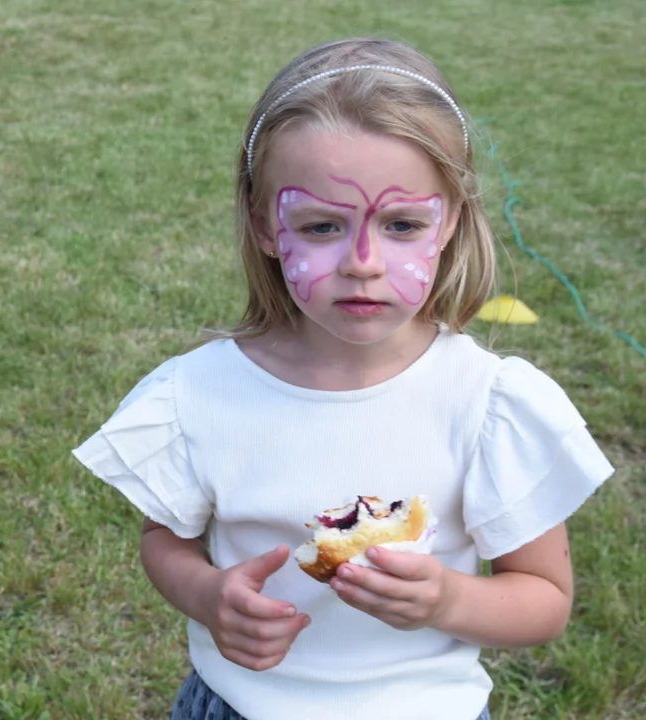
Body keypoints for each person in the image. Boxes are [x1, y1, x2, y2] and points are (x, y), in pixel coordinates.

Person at [72, 37, 615, 720]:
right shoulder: (201, 394)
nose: (364, 261)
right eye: (323, 225)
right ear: (266, 225)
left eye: (401, 224)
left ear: (448, 222)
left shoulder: (484, 402)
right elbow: (166, 542)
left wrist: (448, 599)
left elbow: (543, 600)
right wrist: (206, 596)